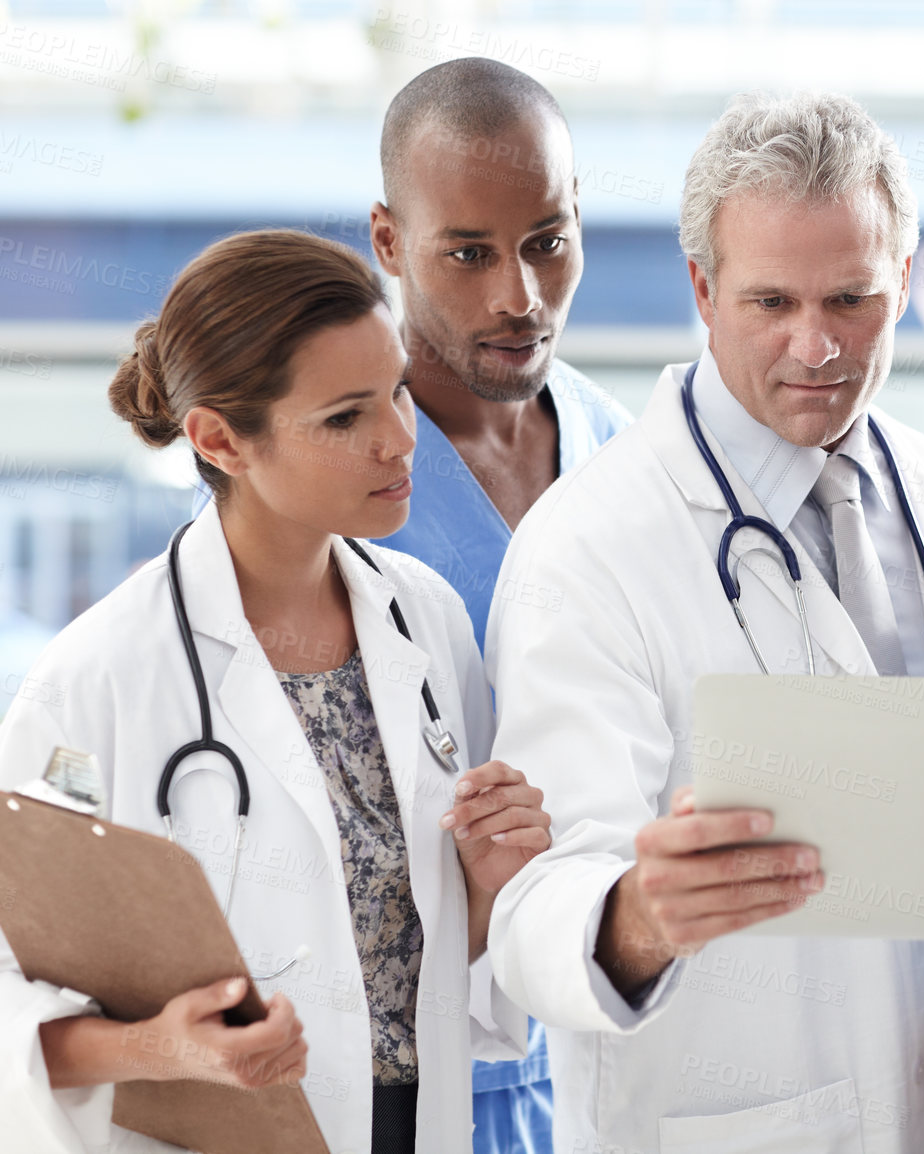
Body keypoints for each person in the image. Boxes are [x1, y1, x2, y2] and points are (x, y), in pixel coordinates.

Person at [481, 91, 924, 1153]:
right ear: (702, 287)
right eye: (771, 301)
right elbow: (534, 904)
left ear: (903, 281)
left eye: (852, 300)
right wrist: (639, 910)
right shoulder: (589, 544)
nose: (815, 346)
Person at [0, 230, 549, 1154]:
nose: (401, 439)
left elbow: (425, 965)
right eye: (345, 417)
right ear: (219, 440)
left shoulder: (425, 622)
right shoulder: (101, 679)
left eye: (397, 389)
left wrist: (494, 883)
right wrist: (158, 1047)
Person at [368, 56, 631, 1151]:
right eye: (468, 252)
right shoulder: (343, 481)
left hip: (618, 1035)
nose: (517, 295)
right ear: (388, 241)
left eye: (547, 241)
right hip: (419, 1068)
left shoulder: (631, 459)